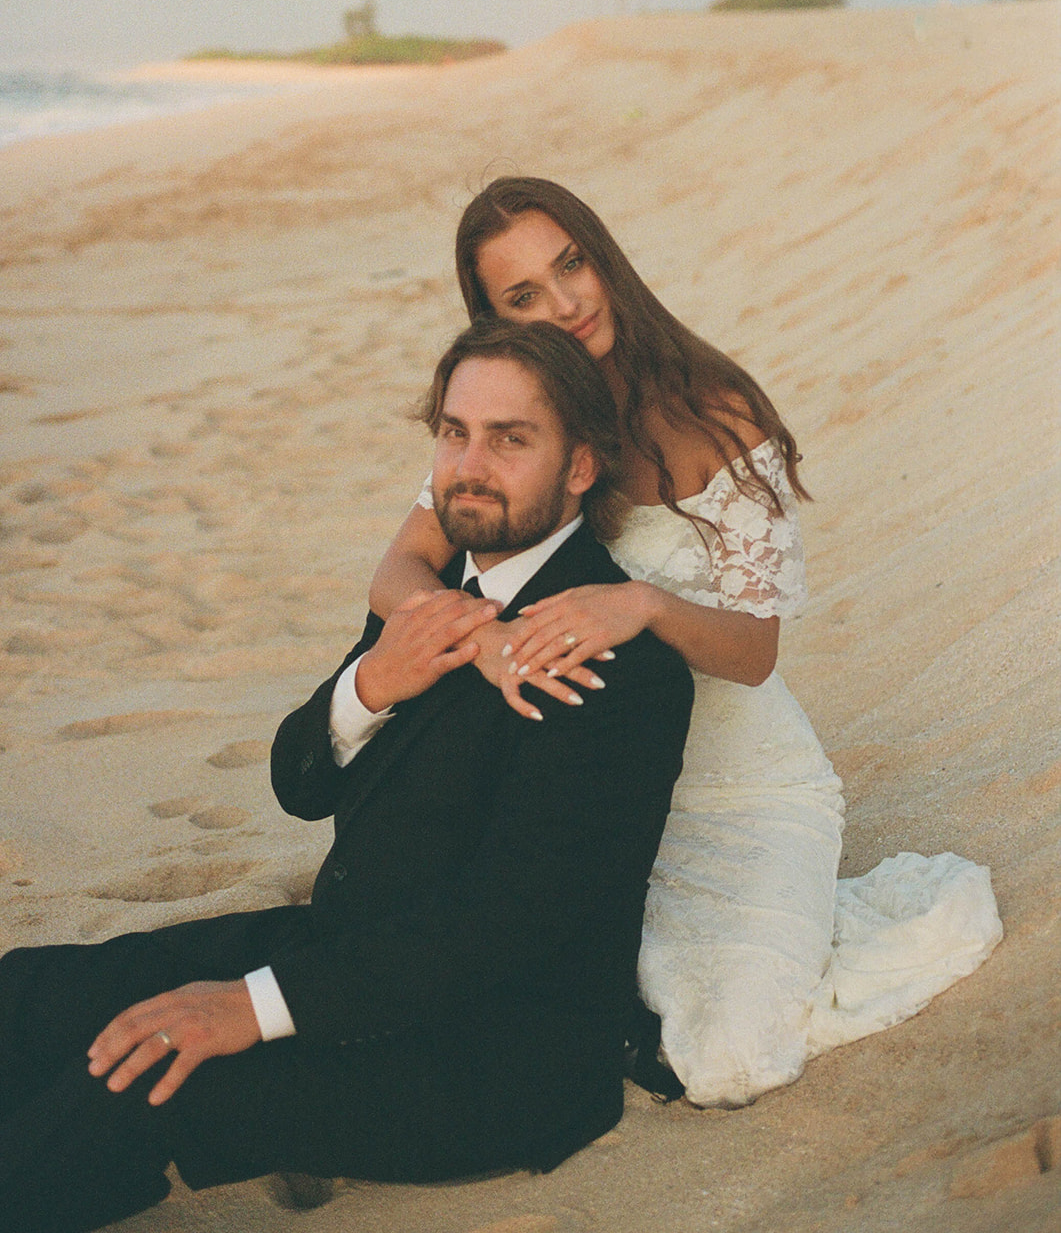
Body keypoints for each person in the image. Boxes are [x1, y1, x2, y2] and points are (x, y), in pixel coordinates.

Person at [0, 318, 694, 1233]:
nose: (469, 464)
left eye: (510, 438)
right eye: (454, 433)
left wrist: (247, 1009)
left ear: (578, 466)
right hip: (347, 951)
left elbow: (499, 924)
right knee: (34, 994)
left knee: (137, 1081)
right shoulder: (435, 596)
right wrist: (367, 688)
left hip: (479, 1055)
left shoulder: (613, 666)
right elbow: (301, 784)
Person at [370, 177, 1002, 1108]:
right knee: (474, 976)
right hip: (589, 784)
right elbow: (396, 578)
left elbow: (754, 653)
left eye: (570, 265)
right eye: (522, 298)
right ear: (492, 320)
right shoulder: (517, 426)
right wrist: (483, 640)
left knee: (725, 1056)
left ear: (602, 253)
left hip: (741, 791)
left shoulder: (717, 411)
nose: (565, 304)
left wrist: (643, 605)